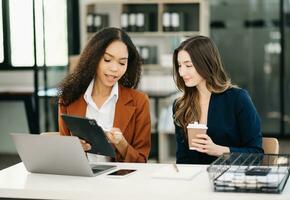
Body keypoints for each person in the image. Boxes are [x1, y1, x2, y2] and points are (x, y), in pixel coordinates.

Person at [57, 27, 151, 163]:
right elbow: (63, 155)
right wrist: (75, 149)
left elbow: (142, 161)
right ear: (93, 58)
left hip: (119, 182)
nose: (114, 69)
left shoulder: (139, 102)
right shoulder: (69, 98)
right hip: (81, 181)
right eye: (107, 60)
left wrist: (122, 145)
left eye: (122, 63)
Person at [172, 35, 263, 164]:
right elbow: (182, 160)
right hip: (194, 181)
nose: (181, 72)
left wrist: (218, 150)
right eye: (179, 65)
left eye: (188, 65)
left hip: (231, 179)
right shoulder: (180, 105)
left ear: (205, 64)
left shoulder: (237, 99)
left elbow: (256, 155)